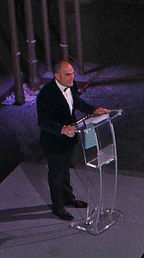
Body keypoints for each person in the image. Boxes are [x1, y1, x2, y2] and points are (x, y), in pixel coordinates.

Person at [37, 59, 110, 220]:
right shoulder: (46, 94)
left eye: (73, 74)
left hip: (70, 138)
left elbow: (77, 103)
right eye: (68, 75)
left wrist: (94, 110)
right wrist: (61, 129)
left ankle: (69, 198)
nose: (72, 78)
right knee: (56, 174)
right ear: (57, 76)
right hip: (54, 140)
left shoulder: (72, 85)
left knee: (66, 170)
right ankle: (58, 207)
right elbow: (42, 122)